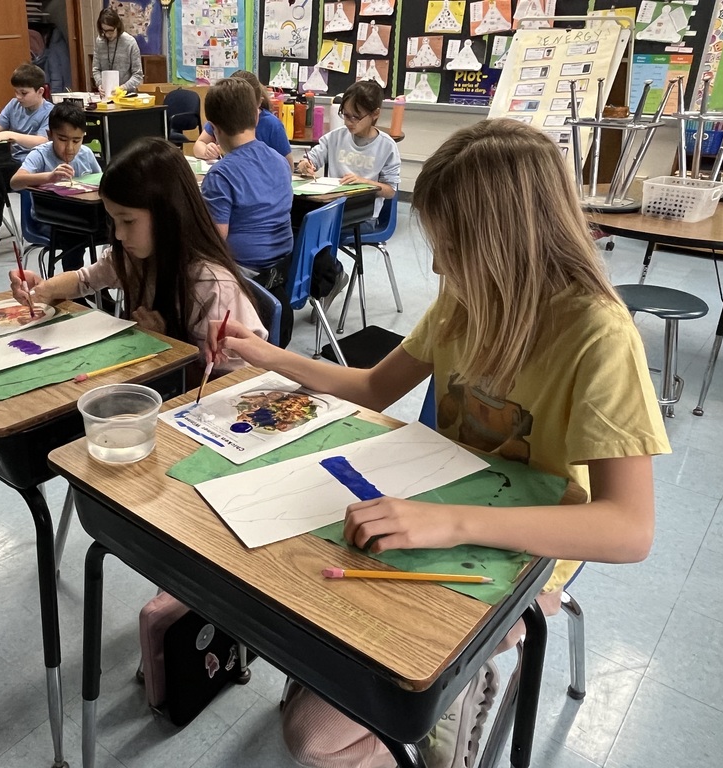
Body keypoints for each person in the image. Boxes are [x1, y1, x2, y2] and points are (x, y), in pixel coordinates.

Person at [210, 118, 670, 768]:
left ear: (505, 243)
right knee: (308, 601)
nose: (434, 263)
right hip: (440, 516)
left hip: (524, 556)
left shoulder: (598, 336)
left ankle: (442, 719)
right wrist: (261, 353)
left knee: (322, 736)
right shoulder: (465, 300)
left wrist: (449, 522)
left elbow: (629, 529)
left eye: (450, 245)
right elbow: (371, 388)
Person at [10, 137, 266, 374]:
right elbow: (84, 279)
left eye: (128, 221)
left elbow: (239, 375)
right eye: (114, 221)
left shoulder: (211, 284)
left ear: (168, 215)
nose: (119, 235)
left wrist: (167, 343)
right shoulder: (135, 257)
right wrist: (42, 291)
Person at [201, 77, 295, 347]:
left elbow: (214, 241)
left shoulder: (221, 174)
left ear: (214, 128)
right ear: (256, 114)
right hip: (280, 271)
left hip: (246, 278)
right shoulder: (279, 162)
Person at [296, 80, 400, 319]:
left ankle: (327, 281)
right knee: (299, 222)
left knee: (313, 228)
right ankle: (332, 275)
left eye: (356, 117)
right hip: (331, 209)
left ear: (375, 114)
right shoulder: (335, 137)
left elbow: (390, 191)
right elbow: (310, 160)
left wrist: (365, 182)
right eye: (346, 115)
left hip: (364, 216)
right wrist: (306, 165)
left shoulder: (386, 146)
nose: (349, 122)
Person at [0, 63, 54, 262]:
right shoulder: (14, 105)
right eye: (16, 92)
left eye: (23, 93)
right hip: (11, 162)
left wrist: (12, 135)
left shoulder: (49, 112)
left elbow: (43, 141)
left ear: (40, 91)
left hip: (33, 166)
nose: (18, 97)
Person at [11, 102, 102, 273]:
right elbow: (15, 182)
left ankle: (99, 286)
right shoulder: (40, 154)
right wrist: (49, 177)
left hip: (82, 216)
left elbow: (101, 182)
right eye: (62, 139)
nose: (70, 148)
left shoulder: (86, 154)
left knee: (114, 229)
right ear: (50, 134)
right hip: (49, 219)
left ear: (84, 136)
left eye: (76, 140)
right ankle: (74, 287)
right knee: (73, 235)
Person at [193, 70, 292, 166]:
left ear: (259, 103)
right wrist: (206, 151)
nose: (239, 109)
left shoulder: (273, 125)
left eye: (246, 103)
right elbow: (199, 144)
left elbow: (288, 166)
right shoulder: (223, 116)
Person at [91, 7, 143, 96]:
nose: (107, 34)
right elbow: (96, 69)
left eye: (110, 31)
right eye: (104, 31)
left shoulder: (130, 42)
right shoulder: (100, 41)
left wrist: (123, 88)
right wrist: (100, 84)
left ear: (117, 26)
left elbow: (138, 75)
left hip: (126, 96)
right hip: (106, 95)